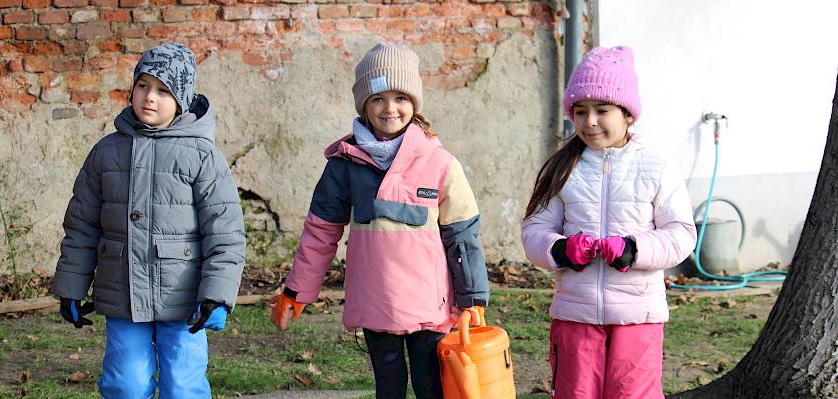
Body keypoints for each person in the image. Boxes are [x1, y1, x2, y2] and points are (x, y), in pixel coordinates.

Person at [269, 42, 490, 399]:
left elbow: (462, 235)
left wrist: (473, 297)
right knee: (388, 389)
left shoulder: (441, 163)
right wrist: (297, 290)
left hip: (430, 308)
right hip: (375, 304)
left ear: (414, 104)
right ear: (364, 106)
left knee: (431, 386)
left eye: (400, 98)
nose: (390, 109)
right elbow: (320, 233)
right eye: (378, 99)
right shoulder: (344, 164)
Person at [51, 43, 246, 399]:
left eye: (163, 90)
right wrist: (71, 286)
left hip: (184, 300)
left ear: (182, 98)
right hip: (124, 295)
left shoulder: (202, 156)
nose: (149, 98)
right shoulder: (106, 152)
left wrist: (216, 296)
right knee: (126, 385)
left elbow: (225, 232)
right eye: (143, 85)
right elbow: (82, 226)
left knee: (182, 387)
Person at [521, 46, 696, 398]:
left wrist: (635, 249)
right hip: (575, 313)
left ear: (628, 114)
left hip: (638, 317)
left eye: (602, 110)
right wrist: (560, 249)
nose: (590, 122)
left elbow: (681, 234)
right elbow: (534, 230)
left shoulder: (657, 165)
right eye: (580, 111)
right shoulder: (562, 167)